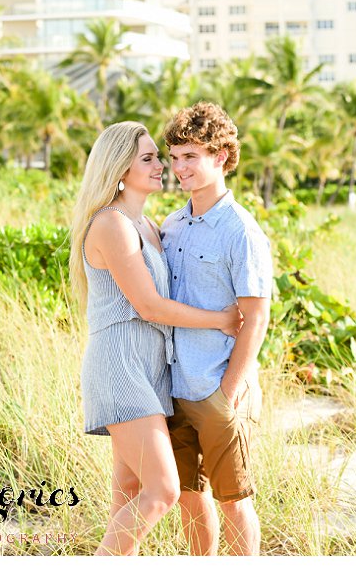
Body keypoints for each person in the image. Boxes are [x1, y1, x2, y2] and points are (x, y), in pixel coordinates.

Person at [68, 121, 242, 555]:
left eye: (156, 157)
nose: (161, 165)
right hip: (121, 367)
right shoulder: (111, 224)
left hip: (151, 367)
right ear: (120, 169)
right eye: (147, 158)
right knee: (163, 491)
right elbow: (148, 306)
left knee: (128, 491)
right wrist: (221, 320)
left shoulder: (148, 225)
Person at [159, 102, 274, 556]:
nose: (179, 167)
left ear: (221, 157)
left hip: (217, 387)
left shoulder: (241, 231)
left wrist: (230, 390)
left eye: (191, 156)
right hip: (174, 385)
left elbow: (256, 316)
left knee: (234, 501)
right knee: (189, 498)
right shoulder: (172, 225)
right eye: (174, 157)